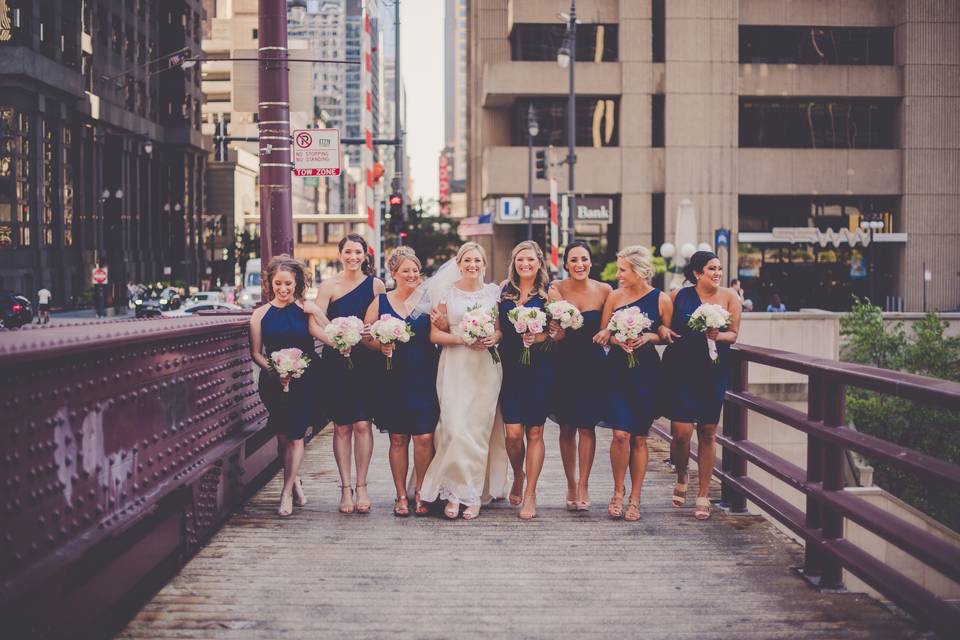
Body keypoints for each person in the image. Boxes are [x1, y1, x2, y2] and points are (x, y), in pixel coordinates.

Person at [419, 242, 503, 520]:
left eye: (477, 260)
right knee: (453, 428)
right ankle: (453, 492)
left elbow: (500, 331)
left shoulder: (493, 293)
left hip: (485, 368)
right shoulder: (447, 294)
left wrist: (494, 337)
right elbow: (434, 334)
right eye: (467, 260)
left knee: (478, 433)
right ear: (459, 263)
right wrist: (462, 338)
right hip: (455, 364)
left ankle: (472, 494)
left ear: (484, 264)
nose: (473, 265)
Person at [249, 255, 333, 517]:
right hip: (274, 382)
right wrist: (276, 371)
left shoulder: (304, 311)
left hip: (306, 380)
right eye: (278, 284)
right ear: (270, 283)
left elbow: (332, 338)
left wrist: (318, 312)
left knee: (296, 435)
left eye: (288, 284)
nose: (283, 289)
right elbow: (256, 353)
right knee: (282, 437)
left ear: (296, 283)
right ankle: (294, 480)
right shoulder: (259, 315)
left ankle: (284, 493)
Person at [661, 251, 741, 520]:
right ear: (697, 273)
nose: (717, 273)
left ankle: (703, 493)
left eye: (719, 268)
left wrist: (719, 335)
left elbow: (734, 334)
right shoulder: (678, 296)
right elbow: (665, 326)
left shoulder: (731, 297)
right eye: (711, 269)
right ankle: (682, 474)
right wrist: (663, 332)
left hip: (713, 370)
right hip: (682, 369)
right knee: (681, 433)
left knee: (708, 431)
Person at [595, 246, 671, 521]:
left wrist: (650, 337)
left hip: (646, 373)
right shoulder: (614, 297)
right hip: (616, 370)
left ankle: (635, 499)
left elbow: (666, 334)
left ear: (638, 270)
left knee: (639, 437)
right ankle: (617, 491)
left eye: (623, 270)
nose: (619, 275)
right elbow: (603, 333)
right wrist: (617, 338)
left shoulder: (661, 299)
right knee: (620, 434)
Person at [363, 247, 440, 517]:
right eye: (406, 270)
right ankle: (399, 496)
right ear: (394, 273)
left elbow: (440, 331)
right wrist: (380, 344)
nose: (412, 274)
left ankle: (420, 491)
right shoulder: (381, 301)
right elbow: (366, 335)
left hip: (424, 376)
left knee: (424, 437)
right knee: (398, 438)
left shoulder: (428, 301)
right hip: (392, 378)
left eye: (415, 270)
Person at [315, 233, 386, 514]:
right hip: (337, 359)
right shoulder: (329, 286)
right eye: (348, 252)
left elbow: (384, 318)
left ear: (365, 255)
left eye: (358, 252)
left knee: (362, 425)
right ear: (340, 254)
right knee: (342, 426)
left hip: (366, 359)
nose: (353, 257)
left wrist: (376, 332)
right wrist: (336, 341)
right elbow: (316, 322)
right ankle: (345, 488)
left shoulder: (376, 285)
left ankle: (363, 486)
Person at [547, 241, 612, 511]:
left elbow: (608, 328)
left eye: (584, 259)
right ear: (566, 264)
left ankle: (584, 483)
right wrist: (556, 328)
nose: (579, 264)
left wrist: (608, 332)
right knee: (566, 427)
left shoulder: (605, 290)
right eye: (573, 260)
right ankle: (571, 484)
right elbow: (558, 334)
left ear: (590, 262)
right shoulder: (556, 290)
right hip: (564, 363)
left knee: (587, 426)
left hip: (593, 363)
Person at [498, 241, 554, 520]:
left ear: (539, 263)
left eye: (530, 260)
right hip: (509, 370)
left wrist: (540, 336)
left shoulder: (548, 296)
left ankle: (530, 492)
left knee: (535, 432)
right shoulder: (504, 293)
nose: (525, 264)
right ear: (514, 263)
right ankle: (517, 474)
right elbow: (497, 329)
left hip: (539, 371)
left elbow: (559, 333)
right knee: (513, 435)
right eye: (520, 260)